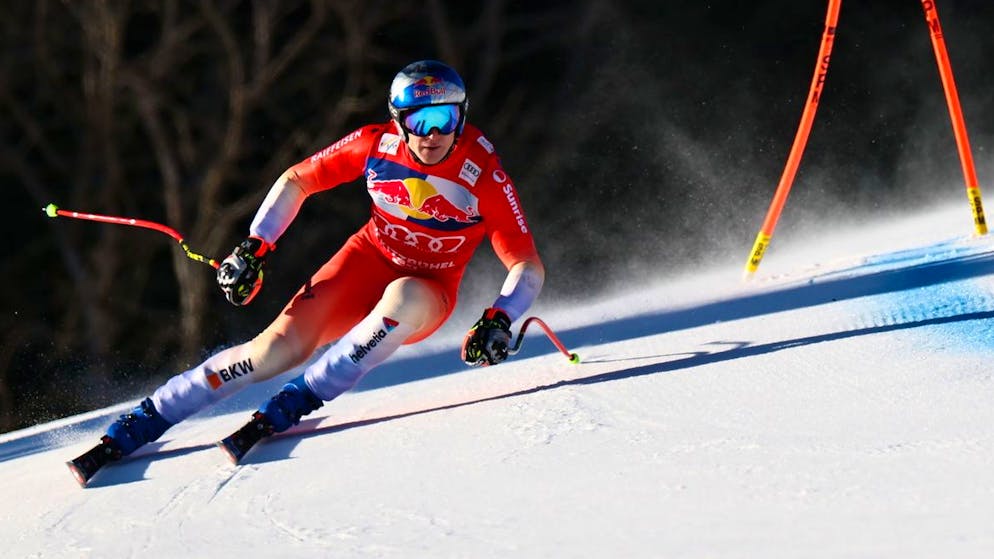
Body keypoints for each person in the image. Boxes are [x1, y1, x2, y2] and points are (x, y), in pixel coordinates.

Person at [97, 60, 545, 459]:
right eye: (419, 119)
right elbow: (297, 180)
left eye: (445, 118)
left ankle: (304, 394)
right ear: (398, 121)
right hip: (364, 261)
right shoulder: (375, 145)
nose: (433, 134)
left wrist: (500, 318)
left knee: (403, 295)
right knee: (270, 353)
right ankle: (153, 414)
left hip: (430, 288)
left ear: (461, 117)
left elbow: (526, 263)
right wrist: (256, 245)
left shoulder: (483, 171)